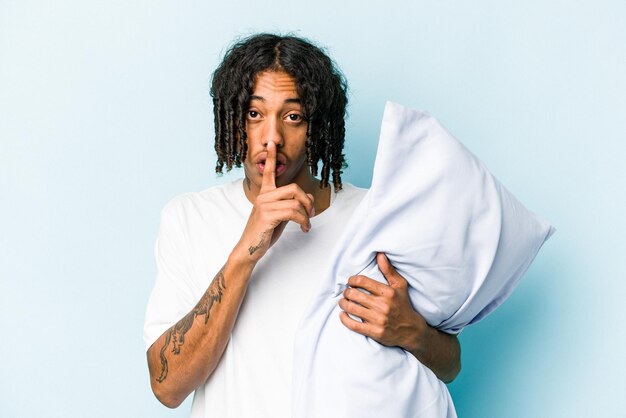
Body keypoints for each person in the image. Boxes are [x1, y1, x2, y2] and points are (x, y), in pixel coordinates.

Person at [144, 33, 461, 417]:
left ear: (318, 126)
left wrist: (410, 330)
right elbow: (167, 386)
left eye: (293, 117)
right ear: (232, 120)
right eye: (254, 113)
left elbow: (450, 365)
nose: (272, 137)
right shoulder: (189, 218)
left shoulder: (376, 217)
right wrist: (246, 252)